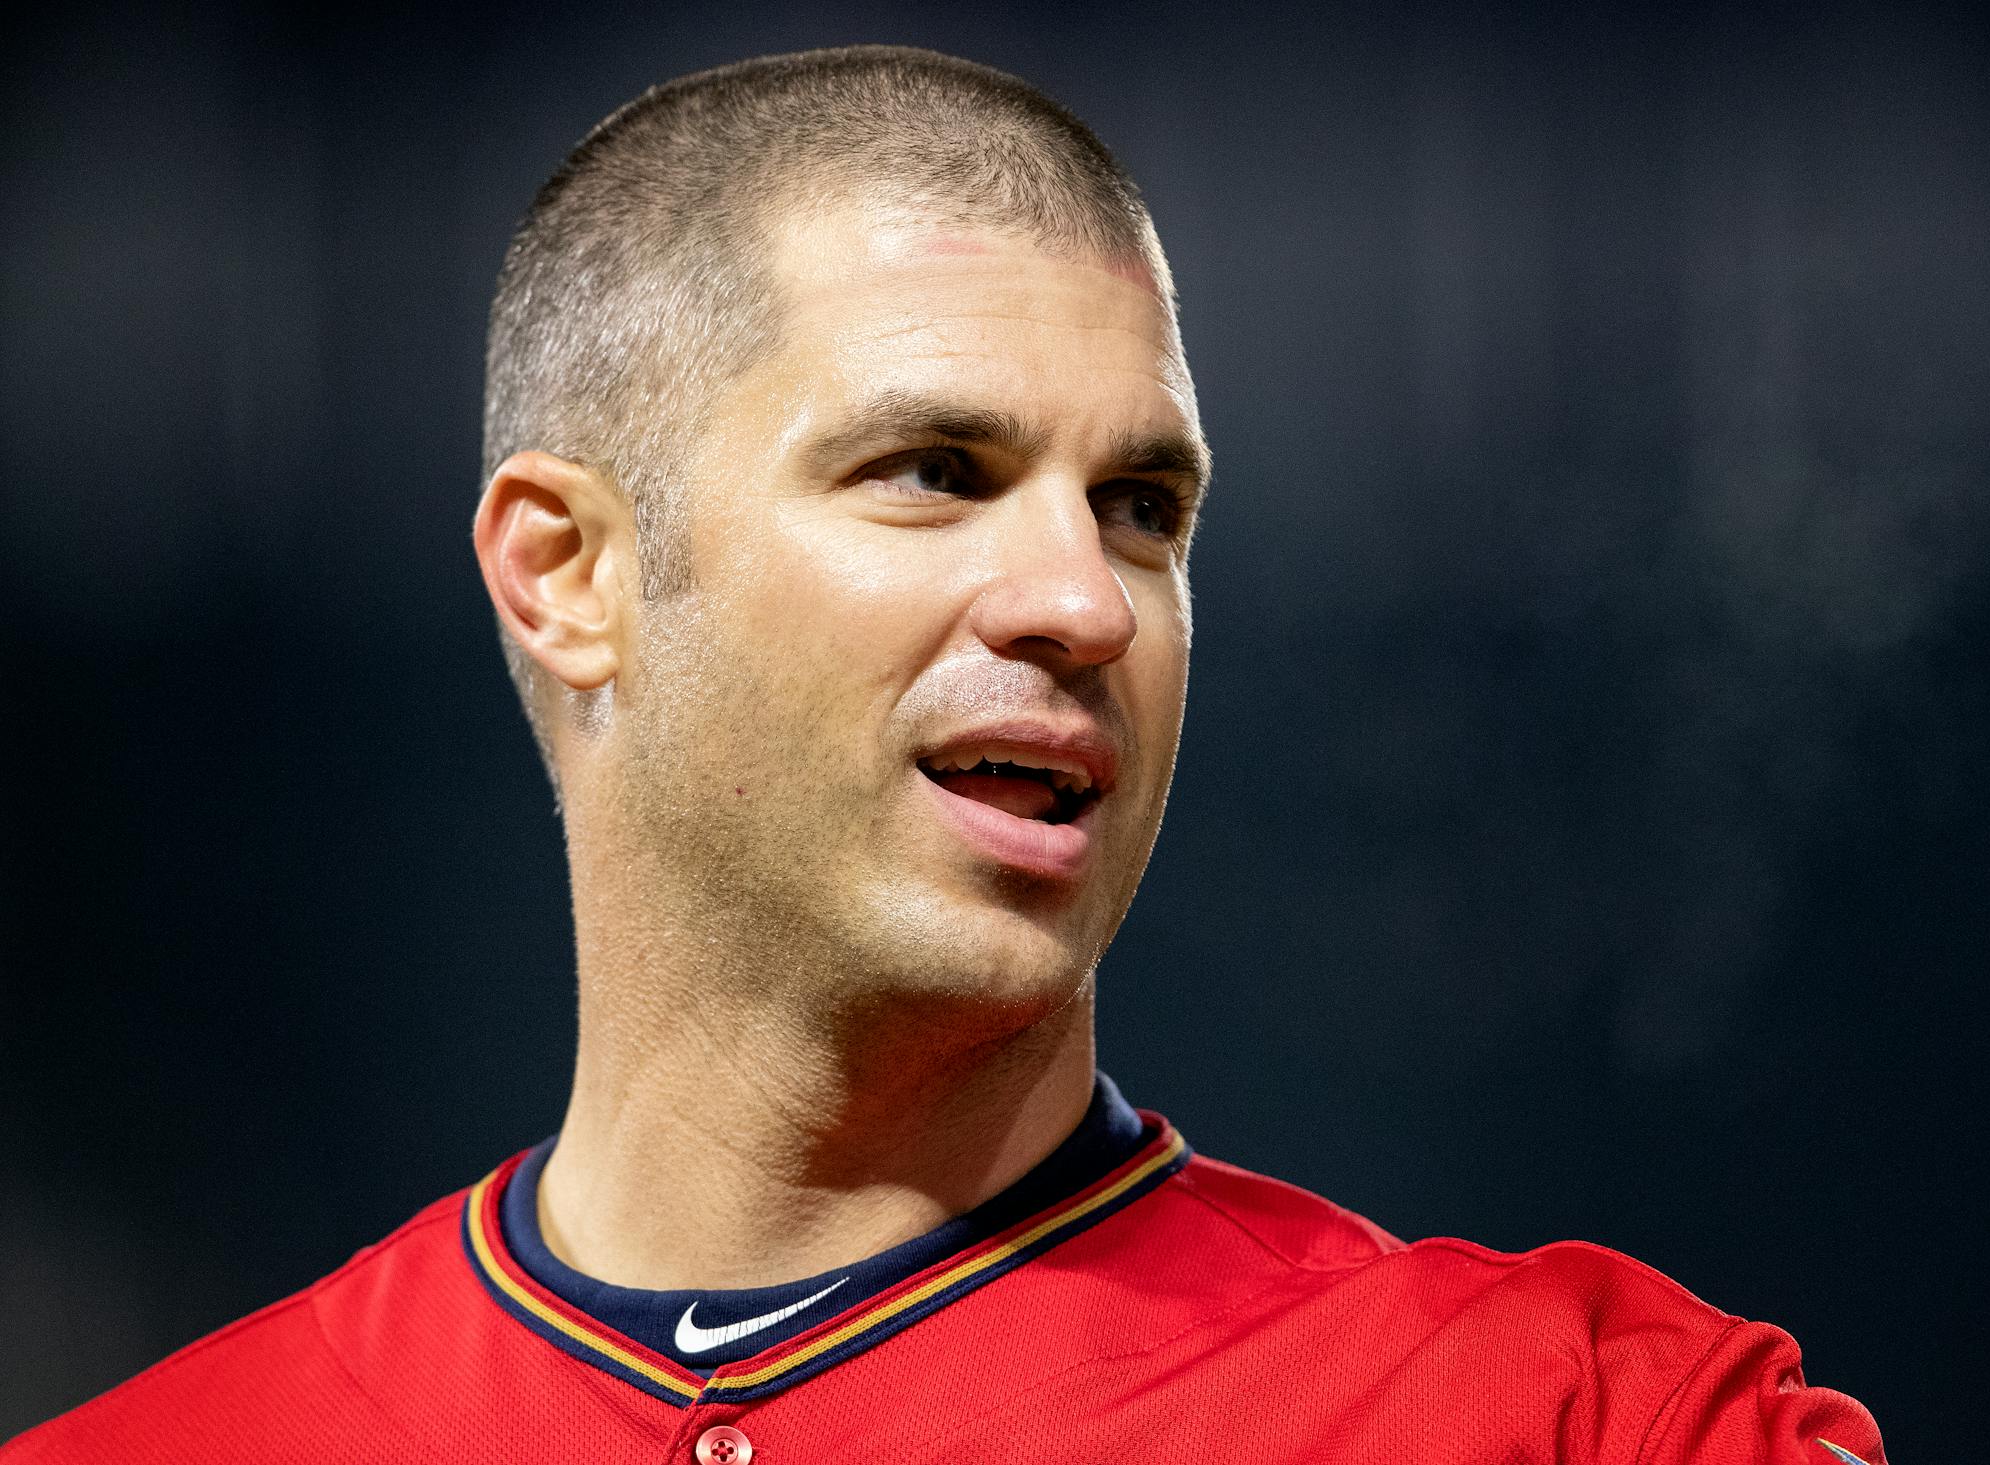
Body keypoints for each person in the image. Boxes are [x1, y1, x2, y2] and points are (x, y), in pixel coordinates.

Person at [5, 46, 1884, 1464]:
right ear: (569, 573)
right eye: (937, 473)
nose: (1087, 599)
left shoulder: (1582, 1422)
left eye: (1145, 504)